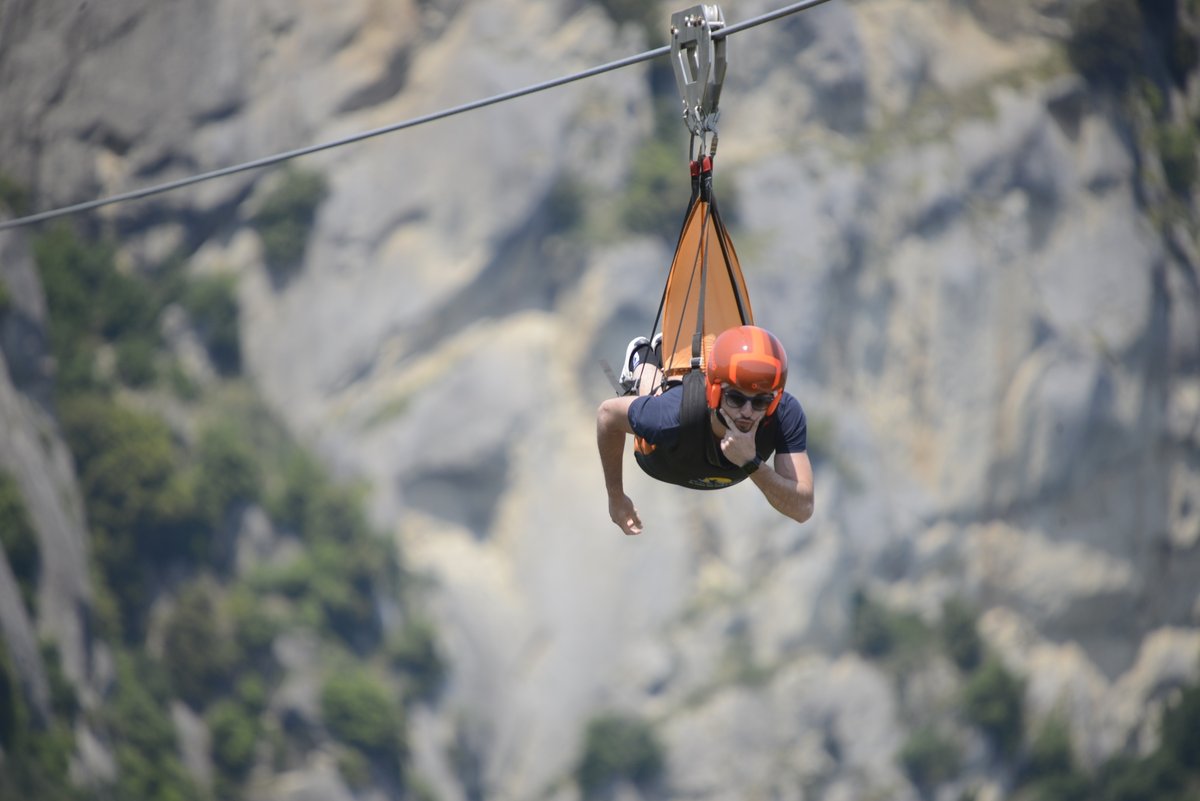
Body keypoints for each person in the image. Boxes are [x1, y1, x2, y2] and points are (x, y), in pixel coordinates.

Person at [597, 325, 814, 535]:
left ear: (774, 401)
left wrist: (751, 463)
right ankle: (642, 356)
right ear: (715, 393)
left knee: (677, 394)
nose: (747, 412)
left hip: (704, 451)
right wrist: (615, 496)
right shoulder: (672, 413)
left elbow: (803, 509)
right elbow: (607, 415)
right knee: (659, 400)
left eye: (761, 402)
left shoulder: (784, 414)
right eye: (736, 399)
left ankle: (668, 351)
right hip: (660, 459)